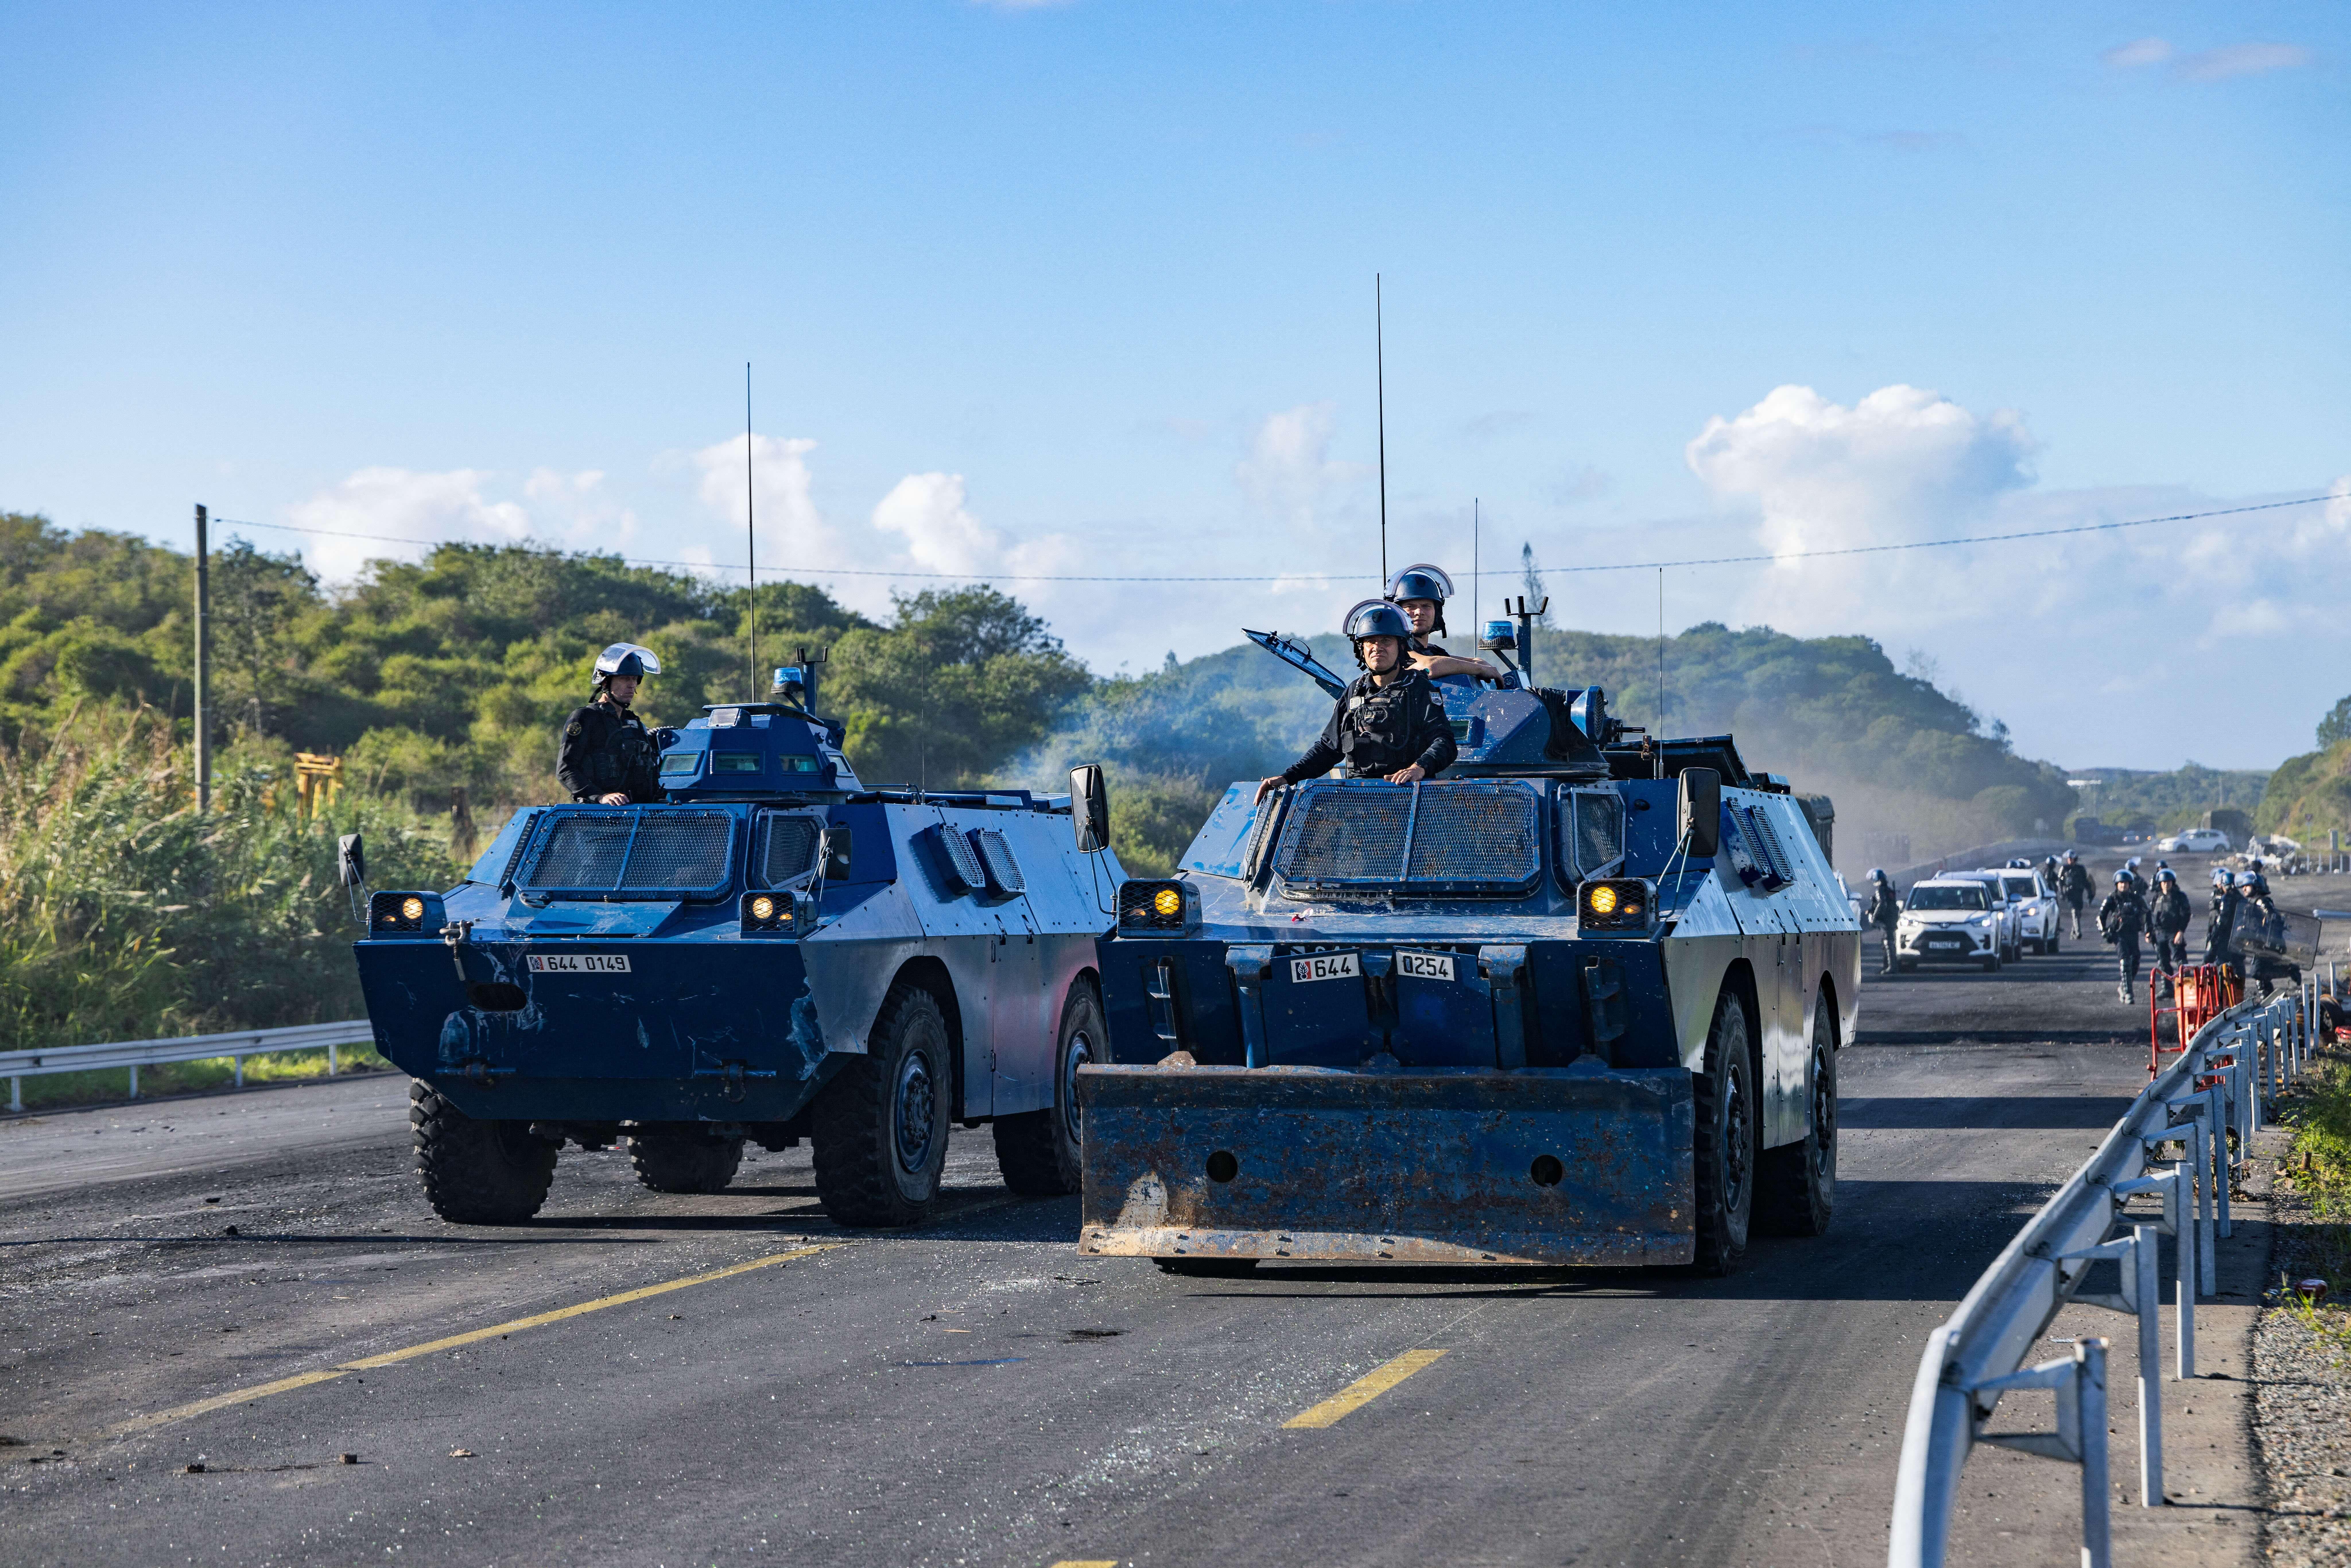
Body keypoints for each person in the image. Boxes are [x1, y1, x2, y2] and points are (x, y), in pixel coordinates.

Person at [1256, 602, 1458, 802]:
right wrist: (1288, 777)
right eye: (1370, 642)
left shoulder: (1419, 689)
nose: (1377, 648)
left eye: (1386, 641)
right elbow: (1329, 749)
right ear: (1361, 649)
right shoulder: (1354, 692)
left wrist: (1419, 768)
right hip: (1359, 803)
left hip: (1408, 799)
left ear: (1401, 646)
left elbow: (1445, 743)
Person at [557, 642, 665, 805]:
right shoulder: (585, 717)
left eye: (635, 679)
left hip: (639, 813)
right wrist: (600, 797)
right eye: (625, 679)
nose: (632, 685)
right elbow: (566, 770)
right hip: (599, 815)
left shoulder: (633, 722)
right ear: (606, 682)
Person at [1384, 563, 1502, 683]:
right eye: (1411, 607)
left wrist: (1477, 662)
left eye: (1426, 606)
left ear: (1437, 613)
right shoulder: (1395, 649)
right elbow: (1429, 667)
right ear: (1397, 612)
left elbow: (1443, 661)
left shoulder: (1431, 651)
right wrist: (1480, 669)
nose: (1419, 612)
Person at [2098, 869, 2150, 1004]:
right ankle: (2129, 993)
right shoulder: (2112, 898)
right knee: (2125, 961)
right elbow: (2101, 917)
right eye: (2121, 883)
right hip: (2119, 934)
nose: (2123, 886)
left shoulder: (2137, 898)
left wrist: (2148, 930)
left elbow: (2147, 914)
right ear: (2117, 884)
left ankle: (2124, 986)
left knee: (2136, 962)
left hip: (2133, 933)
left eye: (2126, 883)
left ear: (2130, 885)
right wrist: (2104, 932)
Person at [2148, 867, 2191, 977]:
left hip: (2174, 933)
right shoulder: (2157, 897)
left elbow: (2186, 915)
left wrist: (2181, 932)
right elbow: (2151, 915)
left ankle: (2187, 986)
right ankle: (2167, 988)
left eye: (2169, 882)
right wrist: (2149, 932)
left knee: (2181, 960)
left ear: (2173, 882)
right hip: (2160, 934)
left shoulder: (2180, 897)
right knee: (2163, 962)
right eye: (2164, 882)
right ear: (2160, 884)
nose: (2166, 884)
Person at [1864, 868, 1902, 975]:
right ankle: (1889, 965)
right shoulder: (1888, 890)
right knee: (1889, 941)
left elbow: (1881, 904)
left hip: (1887, 920)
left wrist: (1875, 917)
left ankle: (1892, 967)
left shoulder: (1881, 890)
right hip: (1891, 918)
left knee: (1888, 942)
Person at [2202, 869, 2242, 968]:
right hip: (2230, 935)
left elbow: (2223, 919)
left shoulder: (2227, 898)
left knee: (2211, 960)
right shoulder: (2240, 898)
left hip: (2224, 935)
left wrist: (2215, 935)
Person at [2058, 851, 2093, 938]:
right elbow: (2060, 882)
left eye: (2072, 859)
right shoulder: (2064, 869)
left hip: (2079, 893)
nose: (2070, 860)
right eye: (2069, 859)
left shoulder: (2081, 869)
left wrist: (2090, 894)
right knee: (2075, 912)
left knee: (2078, 913)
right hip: (2070, 894)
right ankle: (2078, 932)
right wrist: (2062, 893)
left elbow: (2086, 882)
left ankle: (2073, 933)